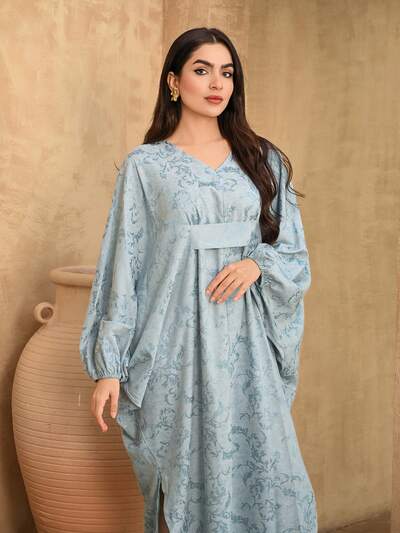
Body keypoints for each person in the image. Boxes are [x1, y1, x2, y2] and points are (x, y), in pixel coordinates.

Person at [79, 26, 318, 533]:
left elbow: (293, 253)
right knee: (180, 479)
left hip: (246, 347)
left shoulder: (262, 159)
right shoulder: (146, 166)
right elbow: (124, 264)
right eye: (202, 70)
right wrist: (109, 366)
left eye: (226, 73)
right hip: (173, 346)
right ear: (173, 81)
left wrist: (258, 263)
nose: (216, 84)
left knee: (265, 473)